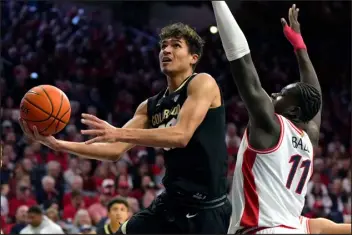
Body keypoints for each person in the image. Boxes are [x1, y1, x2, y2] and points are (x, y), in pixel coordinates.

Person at [19, 22, 231, 234]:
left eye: (176, 45)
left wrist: (117, 131)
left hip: (206, 209)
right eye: (163, 46)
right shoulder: (150, 107)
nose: (166, 50)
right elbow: (114, 151)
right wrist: (57, 145)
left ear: (194, 58)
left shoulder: (202, 83)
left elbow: (181, 135)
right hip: (171, 203)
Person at [212, 2, 322, 234]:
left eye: (282, 94)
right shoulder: (309, 138)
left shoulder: (271, 126)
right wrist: (299, 46)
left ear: (293, 111)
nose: (274, 94)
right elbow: (315, 98)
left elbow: (243, 66)